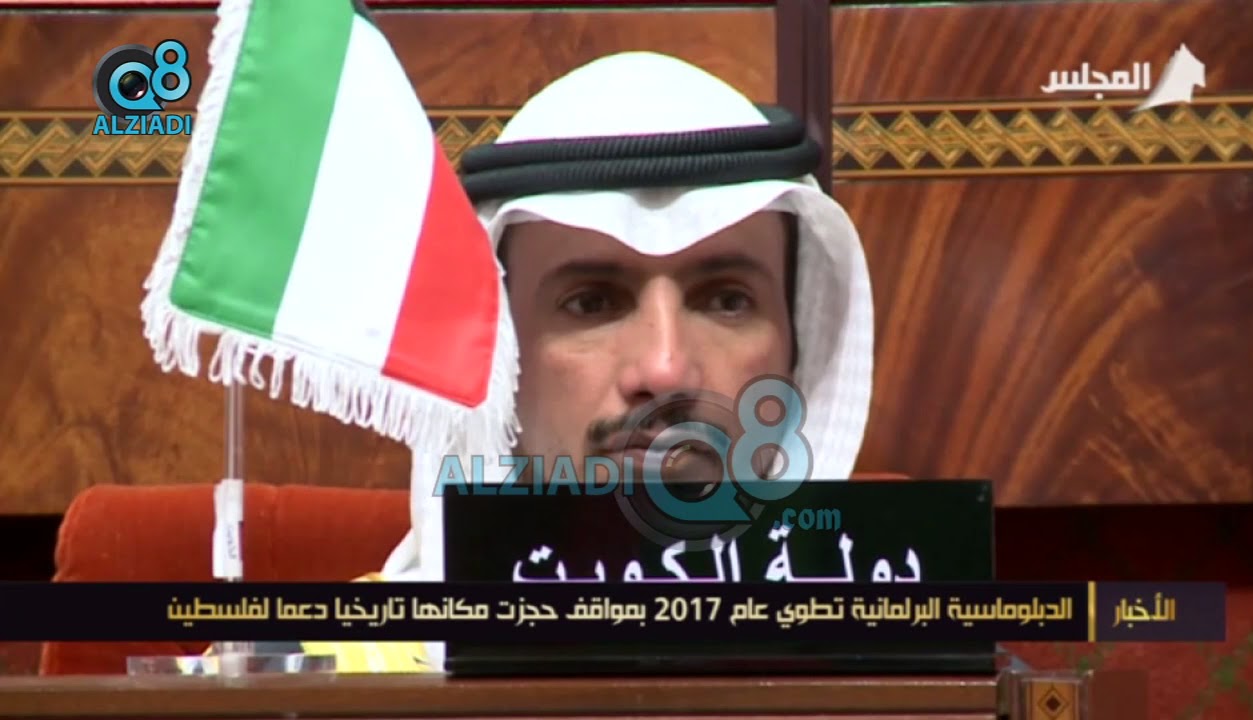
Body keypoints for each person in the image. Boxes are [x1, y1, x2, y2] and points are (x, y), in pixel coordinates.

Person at [229, 50, 874, 674]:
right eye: (592, 303)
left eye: (726, 301)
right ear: (499, 364)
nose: (665, 368)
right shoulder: (312, 680)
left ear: (798, 354)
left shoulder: (900, 661)